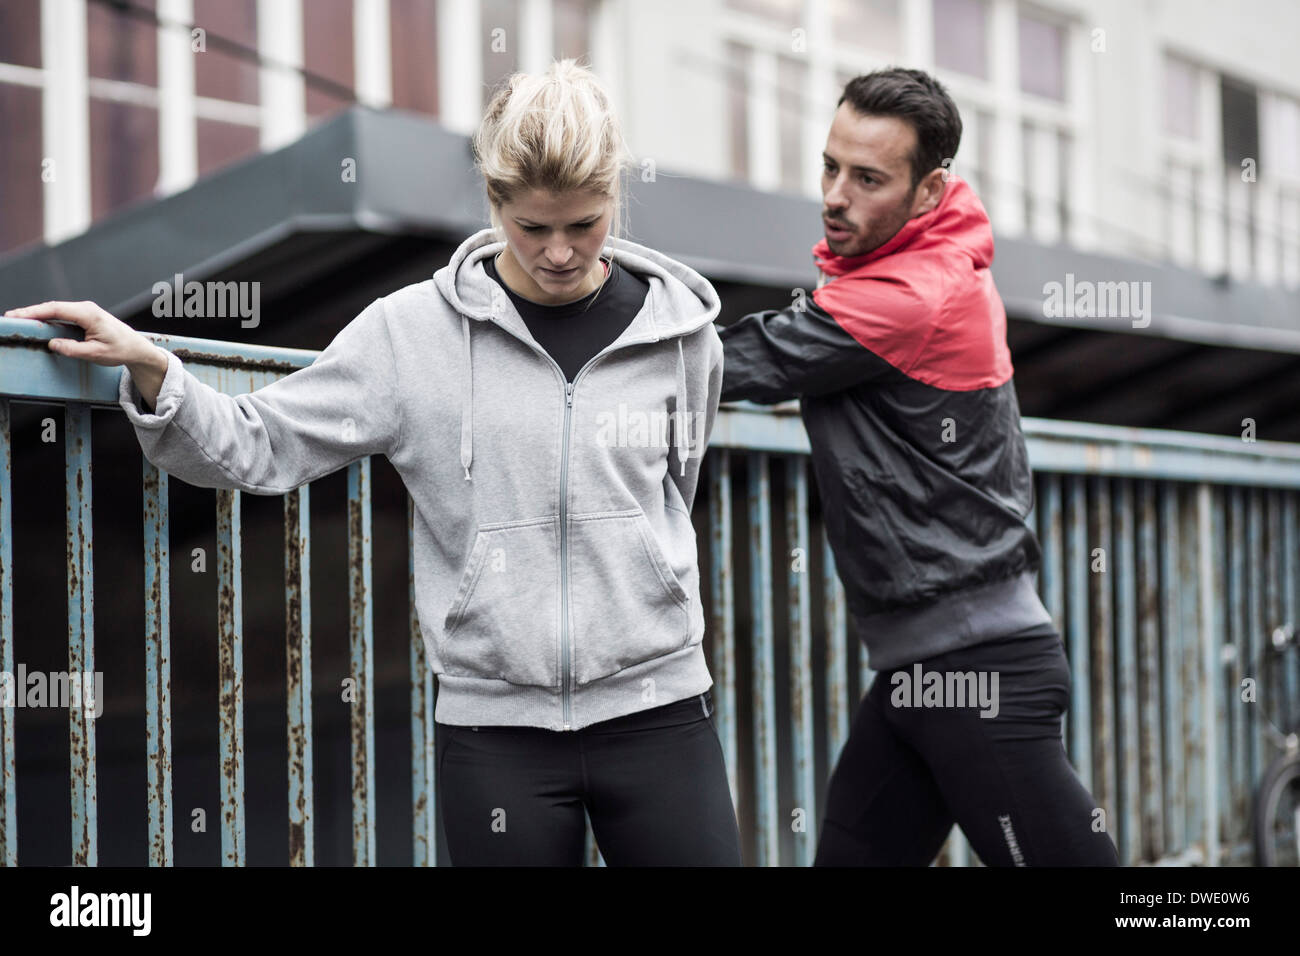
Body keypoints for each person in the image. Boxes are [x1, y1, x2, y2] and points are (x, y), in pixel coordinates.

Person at [5, 59, 741, 867]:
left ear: (614, 197)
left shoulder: (681, 337)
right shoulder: (408, 336)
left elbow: (675, 488)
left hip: (660, 710)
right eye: (533, 228)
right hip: (496, 734)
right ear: (494, 203)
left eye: (584, 223)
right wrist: (152, 368)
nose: (560, 253)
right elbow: (264, 443)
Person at [716, 67, 1119, 866]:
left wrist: (589, 301)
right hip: (916, 673)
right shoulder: (919, 270)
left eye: (868, 179)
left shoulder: (910, 294)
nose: (835, 195)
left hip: (978, 672)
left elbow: (732, 365)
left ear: (930, 191)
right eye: (830, 167)